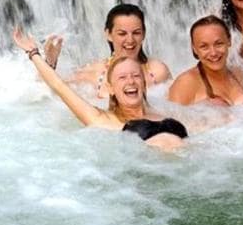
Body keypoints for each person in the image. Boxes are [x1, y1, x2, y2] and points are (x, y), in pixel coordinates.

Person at [13, 28, 187, 151]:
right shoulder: (101, 119)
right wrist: (33, 53)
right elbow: (59, 86)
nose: (131, 81)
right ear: (111, 88)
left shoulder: (166, 112)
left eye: (135, 76)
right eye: (122, 77)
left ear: (144, 82)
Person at [43, 3, 171, 98]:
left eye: (136, 33)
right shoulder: (93, 73)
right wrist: (50, 64)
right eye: (122, 34)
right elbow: (49, 92)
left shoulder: (158, 71)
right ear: (108, 34)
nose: (130, 40)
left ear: (143, 34)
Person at [167, 15, 243, 106]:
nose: (213, 53)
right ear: (194, 49)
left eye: (219, 44)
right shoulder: (185, 83)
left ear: (229, 41)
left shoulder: (238, 74)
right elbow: (172, 118)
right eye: (204, 47)